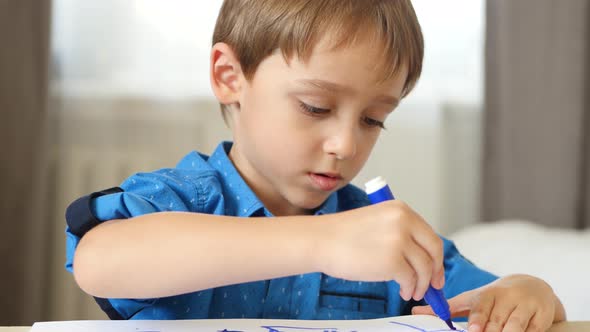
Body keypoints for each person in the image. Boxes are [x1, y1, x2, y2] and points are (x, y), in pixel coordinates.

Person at [65, 1, 566, 331]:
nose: (346, 143)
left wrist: (526, 291)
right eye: (315, 107)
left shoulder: (383, 242)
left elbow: (484, 296)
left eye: (374, 119)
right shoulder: (178, 202)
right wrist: (322, 243)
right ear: (229, 76)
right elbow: (99, 262)